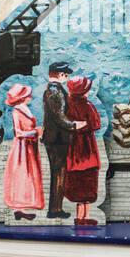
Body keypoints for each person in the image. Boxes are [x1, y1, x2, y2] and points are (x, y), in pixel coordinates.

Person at [41, 61, 85, 220]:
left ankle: (55, 207)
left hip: (56, 137)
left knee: (59, 173)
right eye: (65, 74)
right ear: (60, 74)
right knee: (58, 173)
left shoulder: (54, 90)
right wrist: (74, 126)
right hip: (57, 138)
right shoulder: (54, 91)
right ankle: (55, 209)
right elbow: (58, 117)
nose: (66, 77)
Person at [2, 84, 43, 221]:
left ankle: (23, 206)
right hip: (22, 148)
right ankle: (19, 207)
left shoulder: (25, 110)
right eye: (27, 95)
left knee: (28, 175)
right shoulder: (16, 112)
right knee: (21, 174)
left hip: (29, 146)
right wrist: (35, 132)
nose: (30, 97)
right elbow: (18, 133)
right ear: (22, 98)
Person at [64, 75, 102, 221]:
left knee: (77, 183)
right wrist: (83, 125)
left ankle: (82, 217)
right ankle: (83, 217)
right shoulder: (88, 106)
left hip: (72, 150)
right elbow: (96, 124)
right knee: (87, 182)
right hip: (87, 149)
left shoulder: (65, 105)